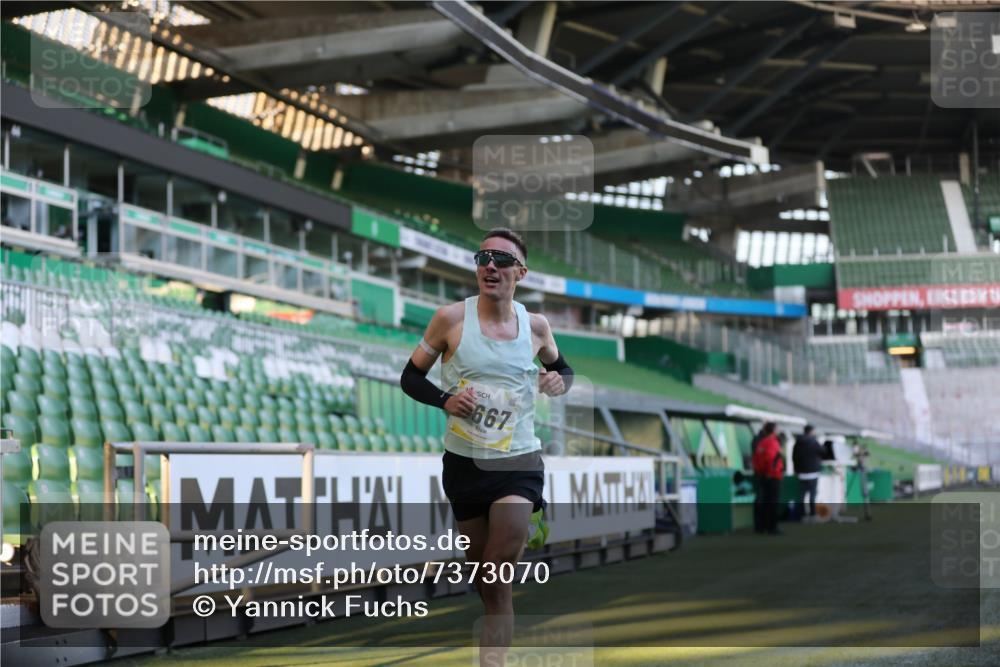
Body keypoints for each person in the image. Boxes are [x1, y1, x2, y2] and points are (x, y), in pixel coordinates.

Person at [400, 227, 573, 666]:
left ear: (521, 272)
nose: (490, 266)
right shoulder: (449, 320)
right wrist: (446, 400)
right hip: (464, 463)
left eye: (500, 260)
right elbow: (410, 378)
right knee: (487, 581)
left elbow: (564, 372)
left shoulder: (535, 326)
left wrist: (557, 381)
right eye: (483, 258)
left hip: (518, 461)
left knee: (496, 568)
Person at [752, 422, 784, 535]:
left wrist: (760, 473)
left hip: (761, 475)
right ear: (774, 430)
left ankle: (761, 526)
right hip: (772, 476)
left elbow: (755, 459)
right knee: (772, 502)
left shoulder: (761, 443)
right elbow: (772, 459)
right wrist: (771, 473)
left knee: (763, 501)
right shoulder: (773, 442)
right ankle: (772, 527)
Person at [792, 425, 825, 521]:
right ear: (811, 431)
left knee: (801, 495)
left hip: (801, 473)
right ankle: (812, 514)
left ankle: (801, 515)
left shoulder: (797, 443)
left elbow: (793, 457)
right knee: (812, 495)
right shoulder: (814, 442)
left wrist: (796, 470)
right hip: (813, 472)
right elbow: (823, 452)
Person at [750, 422, 773, 533]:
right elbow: (762, 458)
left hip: (762, 473)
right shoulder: (762, 441)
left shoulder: (760, 440)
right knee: (761, 499)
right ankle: (760, 525)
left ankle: (763, 525)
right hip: (762, 474)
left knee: (763, 499)